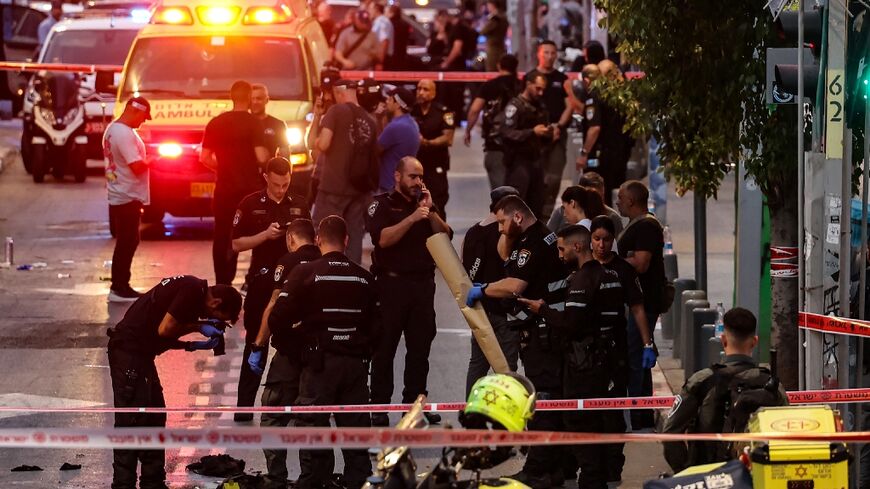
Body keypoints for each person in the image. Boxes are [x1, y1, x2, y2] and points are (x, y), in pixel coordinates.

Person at [516, 222, 641, 489]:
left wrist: (543, 310)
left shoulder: (582, 281)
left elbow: (571, 324)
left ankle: (591, 478)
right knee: (602, 420)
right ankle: (603, 475)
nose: (559, 255)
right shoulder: (610, 275)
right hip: (608, 359)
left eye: (562, 249)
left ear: (577, 246)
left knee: (578, 421)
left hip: (585, 365)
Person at [465, 195, 569, 488]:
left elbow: (514, 285)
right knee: (550, 400)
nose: (499, 228)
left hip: (543, 335)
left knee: (543, 402)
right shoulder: (532, 237)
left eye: (502, 222)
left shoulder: (533, 244)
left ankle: (536, 471)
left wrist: (484, 289)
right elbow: (504, 257)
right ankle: (554, 469)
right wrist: (507, 234)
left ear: (518, 217)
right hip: (543, 331)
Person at [268, 216, 376, 489]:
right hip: (355, 366)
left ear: (318, 240)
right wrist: (363, 351)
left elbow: (277, 319)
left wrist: (299, 348)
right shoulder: (364, 278)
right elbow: (379, 328)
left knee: (313, 427)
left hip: (318, 365)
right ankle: (358, 481)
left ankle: (317, 481)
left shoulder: (306, 274)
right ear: (347, 241)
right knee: (355, 429)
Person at [107, 276, 242, 489]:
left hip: (141, 355)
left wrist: (191, 346)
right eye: (217, 318)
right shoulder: (191, 290)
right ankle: (123, 485)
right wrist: (198, 326)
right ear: (216, 303)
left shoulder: (193, 294)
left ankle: (153, 483)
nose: (211, 320)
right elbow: (165, 329)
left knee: (155, 416)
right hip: (128, 354)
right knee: (131, 421)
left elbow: (159, 333)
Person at [366, 157, 452, 426]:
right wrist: (413, 218)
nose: (417, 182)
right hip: (390, 286)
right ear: (397, 176)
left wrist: (430, 210)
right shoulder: (381, 204)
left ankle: (414, 405)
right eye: (412, 176)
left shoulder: (425, 205)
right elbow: (383, 239)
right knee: (384, 348)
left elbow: (446, 235)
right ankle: (379, 405)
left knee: (419, 350)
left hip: (422, 287)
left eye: (420, 177)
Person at [230, 157, 310, 422]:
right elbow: (236, 244)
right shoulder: (250, 204)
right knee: (256, 343)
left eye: (285, 184)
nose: (280, 190)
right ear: (265, 177)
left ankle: (301, 404)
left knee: (298, 343)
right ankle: (244, 408)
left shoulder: (299, 204)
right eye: (276, 184)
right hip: (262, 282)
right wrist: (265, 235)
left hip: (293, 283)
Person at [661, 307, 788, 473]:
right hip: (758, 477)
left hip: (710, 476)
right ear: (754, 342)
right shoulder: (772, 385)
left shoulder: (702, 381)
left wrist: (688, 474)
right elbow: (787, 434)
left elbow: (670, 433)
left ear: (723, 340)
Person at [248, 219, 321, 489]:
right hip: (319, 354)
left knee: (273, 412)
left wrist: (258, 345)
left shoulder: (287, 262)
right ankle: (311, 480)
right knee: (311, 419)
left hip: (290, 352)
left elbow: (273, 305)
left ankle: (276, 477)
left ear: (290, 238)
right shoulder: (327, 260)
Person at [588, 215, 655, 483]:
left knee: (614, 411)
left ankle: (613, 467)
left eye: (606, 239)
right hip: (585, 351)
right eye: (596, 239)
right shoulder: (583, 267)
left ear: (613, 240)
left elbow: (637, 308)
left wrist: (647, 344)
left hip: (615, 348)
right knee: (588, 412)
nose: (601, 245)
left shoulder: (623, 270)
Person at [201, 80, 270, 285]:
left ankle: (223, 283)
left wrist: (223, 168)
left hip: (224, 189)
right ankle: (256, 280)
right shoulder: (255, 123)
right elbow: (261, 156)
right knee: (260, 235)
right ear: (249, 98)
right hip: (250, 191)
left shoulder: (216, 122)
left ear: (231, 97)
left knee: (223, 236)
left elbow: (204, 157)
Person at [616, 180, 667, 430]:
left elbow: (642, 263)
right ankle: (642, 413)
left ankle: (638, 415)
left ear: (631, 200)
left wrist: (613, 261)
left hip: (643, 303)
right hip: (638, 301)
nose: (617, 202)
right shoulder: (636, 224)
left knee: (635, 358)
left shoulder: (646, 226)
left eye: (620, 198)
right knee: (639, 359)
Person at [462, 186, 521, 395]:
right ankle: (503, 408)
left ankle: (471, 408)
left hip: (480, 310)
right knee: (506, 368)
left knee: (477, 364)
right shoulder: (506, 232)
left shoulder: (472, 233)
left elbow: (465, 270)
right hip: (504, 311)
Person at [312, 79, 378, 264]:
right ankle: (351, 274)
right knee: (354, 235)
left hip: (333, 187)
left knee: (324, 232)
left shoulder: (336, 111)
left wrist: (317, 139)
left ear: (338, 92)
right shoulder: (370, 120)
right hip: (359, 189)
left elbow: (324, 144)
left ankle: (324, 272)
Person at [104, 96, 152, 302]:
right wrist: (156, 159)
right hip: (126, 195)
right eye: (143, 116)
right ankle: (119, 287)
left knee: (129, 240)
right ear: (134, 111)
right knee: (127, 241)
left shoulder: (114, 130)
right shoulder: (123, 133)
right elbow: (136, 166)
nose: (143, 121)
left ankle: (122, 284)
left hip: (122, 192)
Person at [525, 40, 574, 218]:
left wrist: (558, 126)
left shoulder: (562, 79)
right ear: (539, 54)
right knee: (533, 178)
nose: (550, 56)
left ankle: (545, 218)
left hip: (556, 134)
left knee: (553, 178)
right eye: (546, 52)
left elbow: (570, 106)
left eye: (553, 53)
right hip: (533, 136)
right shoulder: (530, 77)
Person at [497, 73, 554, 219]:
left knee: (537, 202)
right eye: (538, 88)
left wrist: (548, 133)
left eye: (543, 89)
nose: (540, 93)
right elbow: (506, 133)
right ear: (528, 84)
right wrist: (532, 132)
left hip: (536, 159)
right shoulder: (515, 106)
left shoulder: (540, 106)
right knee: (517, 202)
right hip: (518, 161)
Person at [465, 54, 521, 189]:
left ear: (499, 66)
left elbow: (474, 110)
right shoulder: (522, 85)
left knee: (501, 191)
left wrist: (468, 130)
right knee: (519, 191)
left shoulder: (489, 85)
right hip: (519, 144)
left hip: (495, 144)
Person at [412, 79, 456, 219]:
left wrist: (427, 143)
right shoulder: (411, 110)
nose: (421, 92)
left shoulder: (444, 112)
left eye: (425, 89)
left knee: (437, 202)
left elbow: (448, 138)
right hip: (415, 166)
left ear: (433, 93)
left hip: (436, 164)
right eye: (419, 89)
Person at [377, 87, 420, 194]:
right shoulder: (412, 123)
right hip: (401, 185)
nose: (386, 102)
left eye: (390, 99)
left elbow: (374, 151)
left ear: (397, 104)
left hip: (389, 186)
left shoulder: (395, 127)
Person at [251, 84, 289, 158]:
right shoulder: (242, 123)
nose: (255, 102)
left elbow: (285, 154)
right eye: (252, 99)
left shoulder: (278, 125)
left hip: (270, 165)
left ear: (267, 100)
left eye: (259, 99)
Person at [480, 0, 508, 72]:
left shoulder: (495, 18)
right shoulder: (503, 16)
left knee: (491, 71)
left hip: (493, 50)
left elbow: (484, 31)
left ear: (492, 5)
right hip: (501, 48)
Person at [368, 2, 394, 71]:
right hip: (379, 58)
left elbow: (384, 41)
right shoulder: (378, 21)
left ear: (376, 9)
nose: (369, 11)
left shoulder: (382, 22)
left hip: (383, 58)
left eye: (370, 9)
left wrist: (380, 62)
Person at [386, 5, 410, 70]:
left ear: (392, 13)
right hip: (402, 55)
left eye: (386, 12)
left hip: (391, 56)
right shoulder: (405, 24)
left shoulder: (388, 24)